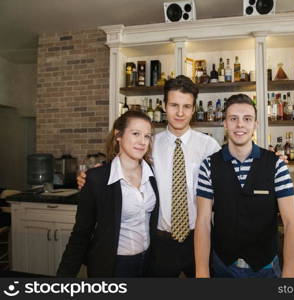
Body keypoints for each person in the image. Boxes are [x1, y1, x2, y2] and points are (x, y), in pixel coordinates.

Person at [77, 75, 221, 277]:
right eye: (174, 105)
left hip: (199, 238)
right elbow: (122, 167)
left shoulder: (210, 147)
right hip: (160, 242)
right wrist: (92, 177)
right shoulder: (149, 144)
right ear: (163, 105)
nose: (180, 113)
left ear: (194, 109)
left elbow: (230, 183)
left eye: (187, 106)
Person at [195, 94, 294, 278]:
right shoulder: (209, 165)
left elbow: (292, 224)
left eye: (247, 119)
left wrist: (290, 277)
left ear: (255, 125)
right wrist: (202, 272)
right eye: (233, 119)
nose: (240, 125)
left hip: (266, 269)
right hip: (223, 267)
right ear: (225, 124)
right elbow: (203, 223)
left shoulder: (275, 165)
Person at [57, 110, 159, 277]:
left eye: (147, 136)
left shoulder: (153, 175)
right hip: (113, 266)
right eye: (136, 134)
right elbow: (80, 235)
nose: (142, 141)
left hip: (147, 264)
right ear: (118, 135)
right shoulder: (97, 179)